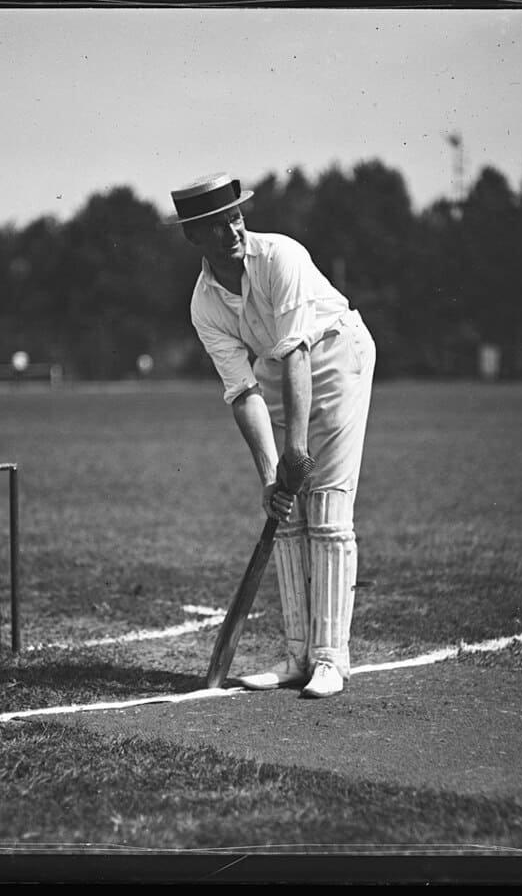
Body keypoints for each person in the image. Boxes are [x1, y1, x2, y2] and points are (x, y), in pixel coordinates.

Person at [168, 173, 376, 698]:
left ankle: (330, 659)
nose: (232, 232)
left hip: (334, 355)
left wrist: (296, 450)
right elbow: (243, 391)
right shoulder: (204, 305)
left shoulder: (281, 256)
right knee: (284, 513)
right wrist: (270, 476)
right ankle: (298, 655)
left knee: (326, 504)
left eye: (235, 218)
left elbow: (298, 353)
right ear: (193, 236)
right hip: (278, 371)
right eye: (216, 226)